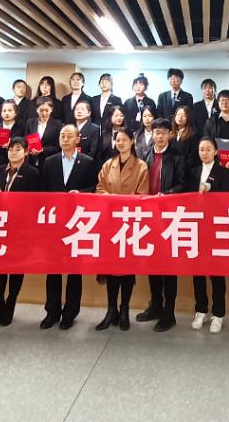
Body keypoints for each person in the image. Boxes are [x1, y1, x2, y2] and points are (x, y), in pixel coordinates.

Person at [39, 124, 98, 329]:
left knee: (74, 270)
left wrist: (81, 193)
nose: (65, 139)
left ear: (77, 139)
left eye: (69, 135)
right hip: (55, 222)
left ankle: (70, 313)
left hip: (77, 222)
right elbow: (42, 191)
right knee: (53, 269)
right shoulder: (50, 161)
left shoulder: (88, 162)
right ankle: (52, 311)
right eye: (62, 135)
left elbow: (94, 187)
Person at [95, 128, 149, 331]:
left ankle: (124, 308)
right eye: (118, 140)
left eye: (124, 139)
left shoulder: (141, 166)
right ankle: (111, 310)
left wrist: (121, 202)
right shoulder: (108, 164)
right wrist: (111, 199)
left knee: (127, 269)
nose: (121, 143)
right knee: (110, 267)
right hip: (110, 222)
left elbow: (143, 195)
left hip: (129, 223)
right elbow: (99, 188)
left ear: (132, 141)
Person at [136, 118, 186, 332]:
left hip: (168, 216)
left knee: (168, 265)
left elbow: (182, 184)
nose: (160, 136)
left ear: (170, 135)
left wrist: (166, 195)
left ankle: (169, 312)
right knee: (152, 262)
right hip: (148, 216)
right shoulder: (145, 154)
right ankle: (155, 304)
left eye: (164, 132)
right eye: (156, 132)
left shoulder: (177, 157)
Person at [0, 137, 40, 326]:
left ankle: (10, 303)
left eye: (18, 149)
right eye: (11, 149)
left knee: (17, 268)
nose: (13, 152)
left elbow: (36, 201)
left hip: (21, 227)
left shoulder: (33, 173)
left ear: (26, 152)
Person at [186, 138, 229, 333]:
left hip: (216, 226)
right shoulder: (193, 172)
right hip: (196, 226)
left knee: (216, 272)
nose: (204, 153)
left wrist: (211, 191)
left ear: (216, 151)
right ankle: (201, 309)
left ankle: (219, 313)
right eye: (201, 149)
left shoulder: (224, 172)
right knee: (197, 271)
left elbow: (228, 197)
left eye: (208, 149)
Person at [203, 90, 229, 166]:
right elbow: (206, 142)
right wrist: (216, 161)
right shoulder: (211, 122)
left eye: (228, 100)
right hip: (215, 163)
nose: (224, 102)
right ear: (218, 102)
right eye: (222, 100)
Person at [25, 96, 63, 169]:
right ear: (36, 110)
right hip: (31, 161)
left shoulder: (57, 124)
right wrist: (29, 149)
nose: (44, 113)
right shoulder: (30, 122)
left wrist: (43, 150)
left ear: (51, 109)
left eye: (47, 110)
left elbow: (58, 146)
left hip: (49, 161)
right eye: (41, 110)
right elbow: (26, 140)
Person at [0, 100, 26, 169]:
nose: (7, 113)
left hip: (14, 164)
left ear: (16, 113)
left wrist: (11, 145)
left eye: (10, 110)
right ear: (1, 113)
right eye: (4, 111)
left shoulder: (22, 129)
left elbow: (25, 147)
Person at [171, 106, 198, 170]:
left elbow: (192, 157)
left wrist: (181, 168)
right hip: (171, 168)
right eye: (178, 114)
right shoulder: (171, 133)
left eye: (184, 115)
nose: (180, 117)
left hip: (185, 170)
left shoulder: (193, 135)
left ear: (188, 118)